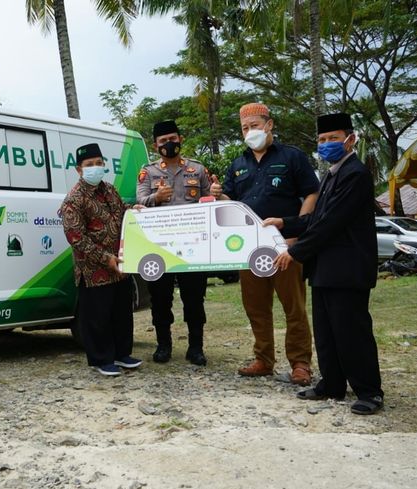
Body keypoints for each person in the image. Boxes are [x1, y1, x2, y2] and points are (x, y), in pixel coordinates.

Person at [264, 112, 384, 415]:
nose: (326, 144)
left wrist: (295, 252)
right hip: (326, 268)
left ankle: (369, 391)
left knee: (351, 331)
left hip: (348, 267)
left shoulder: (355, 174)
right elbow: (315, 218)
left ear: (350, 139)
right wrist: (285, 222)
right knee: (327, 331)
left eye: (332, 138)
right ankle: (332, 384)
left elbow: (331, 223)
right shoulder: (332, 174)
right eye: (321, 140)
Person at [211, 103, 319, 385]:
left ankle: (300, 363)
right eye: (245, 128)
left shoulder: (292, 157)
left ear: (269, 125)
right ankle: (263, 359)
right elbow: (231, 204)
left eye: (255, 126)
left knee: (293, 307)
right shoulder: (238, 165)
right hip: (249, 249)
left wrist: (296, 235)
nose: (250, 132)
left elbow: (311, 193)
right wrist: (217, 194)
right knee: (256, 307)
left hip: (285, 245)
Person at [60, 143, 143, 376]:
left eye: (98, 163)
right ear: (79, 169)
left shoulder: (108, 190)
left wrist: (133, 209)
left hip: (120, 262)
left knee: (121, 312)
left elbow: (120, 211)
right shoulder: (74, 199)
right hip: (94, 270)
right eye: (89, 165)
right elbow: (75, 236)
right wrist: (104, 257)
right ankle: (101, 359)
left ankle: (121, 354)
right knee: (98, 316)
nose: (95, 168)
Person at [136, 120, 210, 365]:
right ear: (155, 145)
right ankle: (163, 345)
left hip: (193, 247)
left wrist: (216, 194)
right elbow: (139, 202)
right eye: (163, 141)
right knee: (160, 298)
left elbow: (211, 197)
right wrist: (156, 197)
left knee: (194, 298)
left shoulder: (197, 170)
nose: (169, 144)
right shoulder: (148, 172)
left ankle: (196, 347)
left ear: (180, 138)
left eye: (173, 138)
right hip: (160, 247)